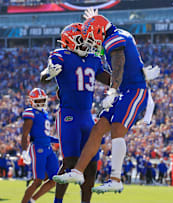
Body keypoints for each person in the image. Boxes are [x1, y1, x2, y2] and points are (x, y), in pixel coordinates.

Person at [53, 9, 160, 194]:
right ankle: (78, 172)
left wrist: (112, 90)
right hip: (127, 90)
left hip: (134, 91)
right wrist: (92, 22)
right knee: (98, 128)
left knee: (118, 129)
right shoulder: (117, 34)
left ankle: (116, 179)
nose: (92, 43)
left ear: (99, 32)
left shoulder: (114, 40)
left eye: (91, 36)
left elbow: (118, 66)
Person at [41, 22, 110, 203]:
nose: (87, 43)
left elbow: (108, 79)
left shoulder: (94, 59)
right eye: (83, 39)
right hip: (69, 115)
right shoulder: (61, 55)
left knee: (92, 165)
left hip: (87, 116)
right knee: (70, 162)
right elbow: (45, 74)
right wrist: (47, 72)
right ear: (71, 40)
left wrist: (127, 78)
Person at [20, 88, 60, 203]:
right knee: (38, 180)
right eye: (38, 101)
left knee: (55, 179)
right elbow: (25, 134)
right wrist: (24, 151)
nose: (41, 103)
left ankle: (32, 200)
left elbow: (45, 136)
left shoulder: (44, 114)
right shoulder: (30, 112)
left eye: (42, 100)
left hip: (48, 148)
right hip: (38, 148)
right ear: (32, 101)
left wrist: (60, 140)